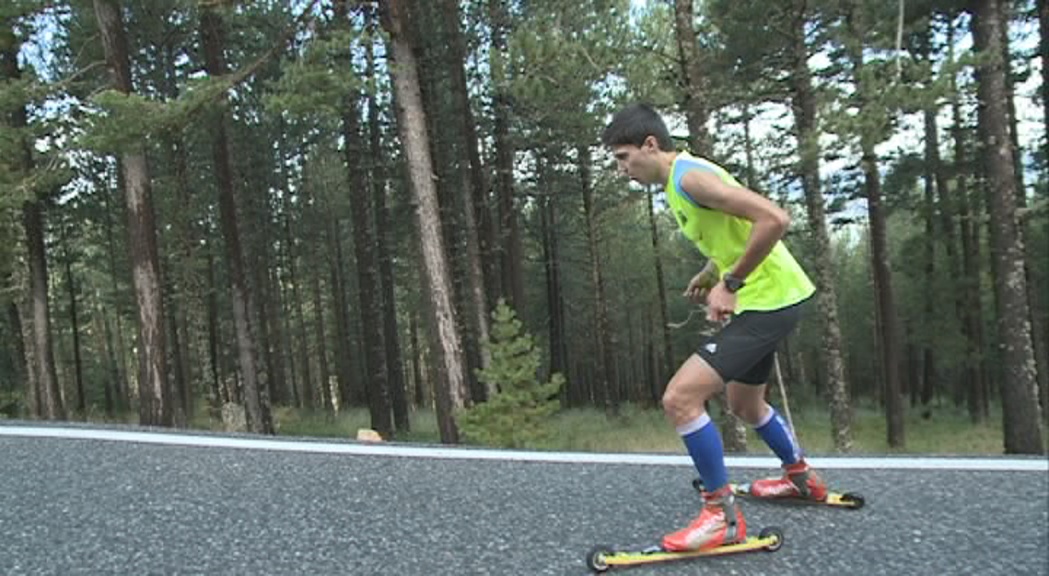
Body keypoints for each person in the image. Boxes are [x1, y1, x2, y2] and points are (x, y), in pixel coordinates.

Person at [601, 103, 826, 553]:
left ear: (651, 145)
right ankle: (801, 478)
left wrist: (731, 282)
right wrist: (712, 270)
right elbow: (736, 229)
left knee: (680, 398)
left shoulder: (688, 178)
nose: (622, 170)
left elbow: (775, 219)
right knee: (745, 404)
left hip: (769, 300)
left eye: (624, 157)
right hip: (770, 299)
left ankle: (720, 517)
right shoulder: (678, 179)